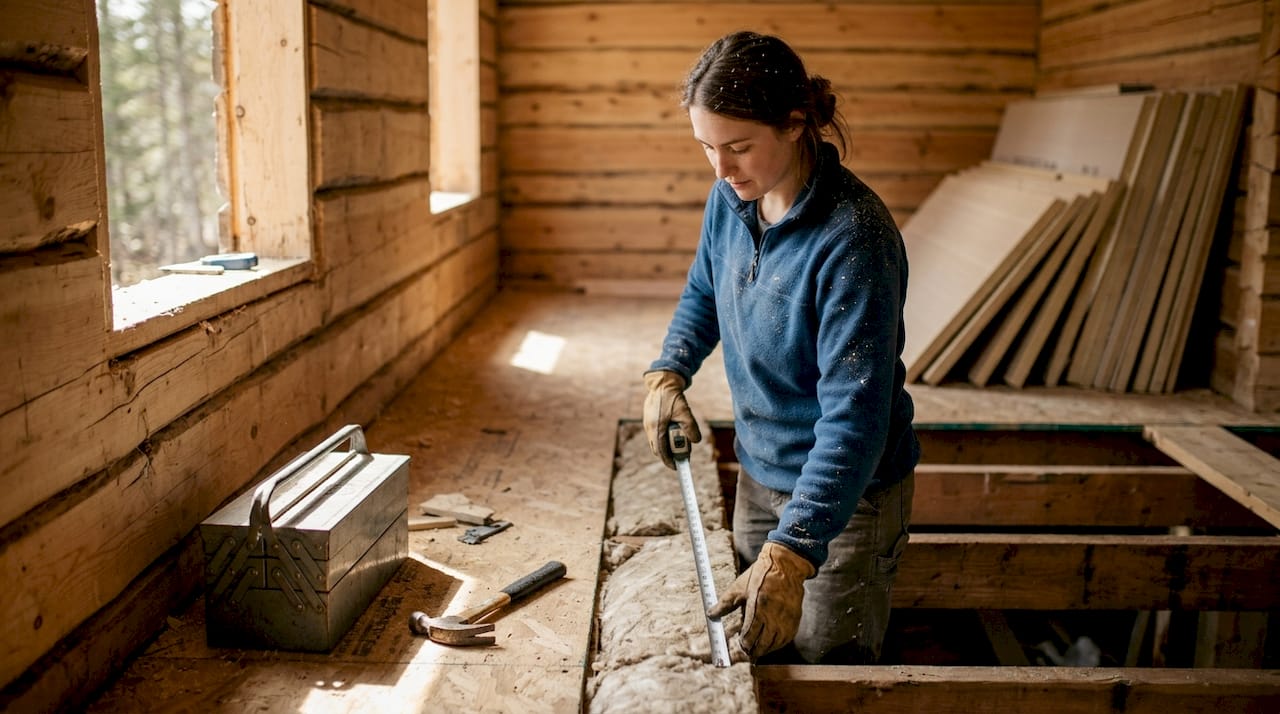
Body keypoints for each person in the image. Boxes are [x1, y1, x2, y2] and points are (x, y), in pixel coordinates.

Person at [642, 30, 920, 665]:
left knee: (829, 665)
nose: (720, 168)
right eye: (706, 147)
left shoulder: (854, 238)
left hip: (847, 498)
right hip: (760, 474)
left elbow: (855, 418)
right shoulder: (729, 199)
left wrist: (795, 551)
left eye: (738, 147)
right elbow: (704, 291)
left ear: (796, 125)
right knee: (758, 655)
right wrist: (669, 369)